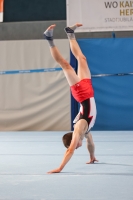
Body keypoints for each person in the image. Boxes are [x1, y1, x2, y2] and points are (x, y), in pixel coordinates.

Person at [44, 23, 98, 174]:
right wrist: (92, 156)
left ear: (72, 143)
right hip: (89, 91)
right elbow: (91, 142)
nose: (77, 146)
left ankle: (48, 39)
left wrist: (60, 168)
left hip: (82, 94)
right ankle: (70, 33)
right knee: (82, 58)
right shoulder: (85, 132)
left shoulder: (78, 129)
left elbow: (70, 151)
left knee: (66, 65)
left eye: (75, 145)